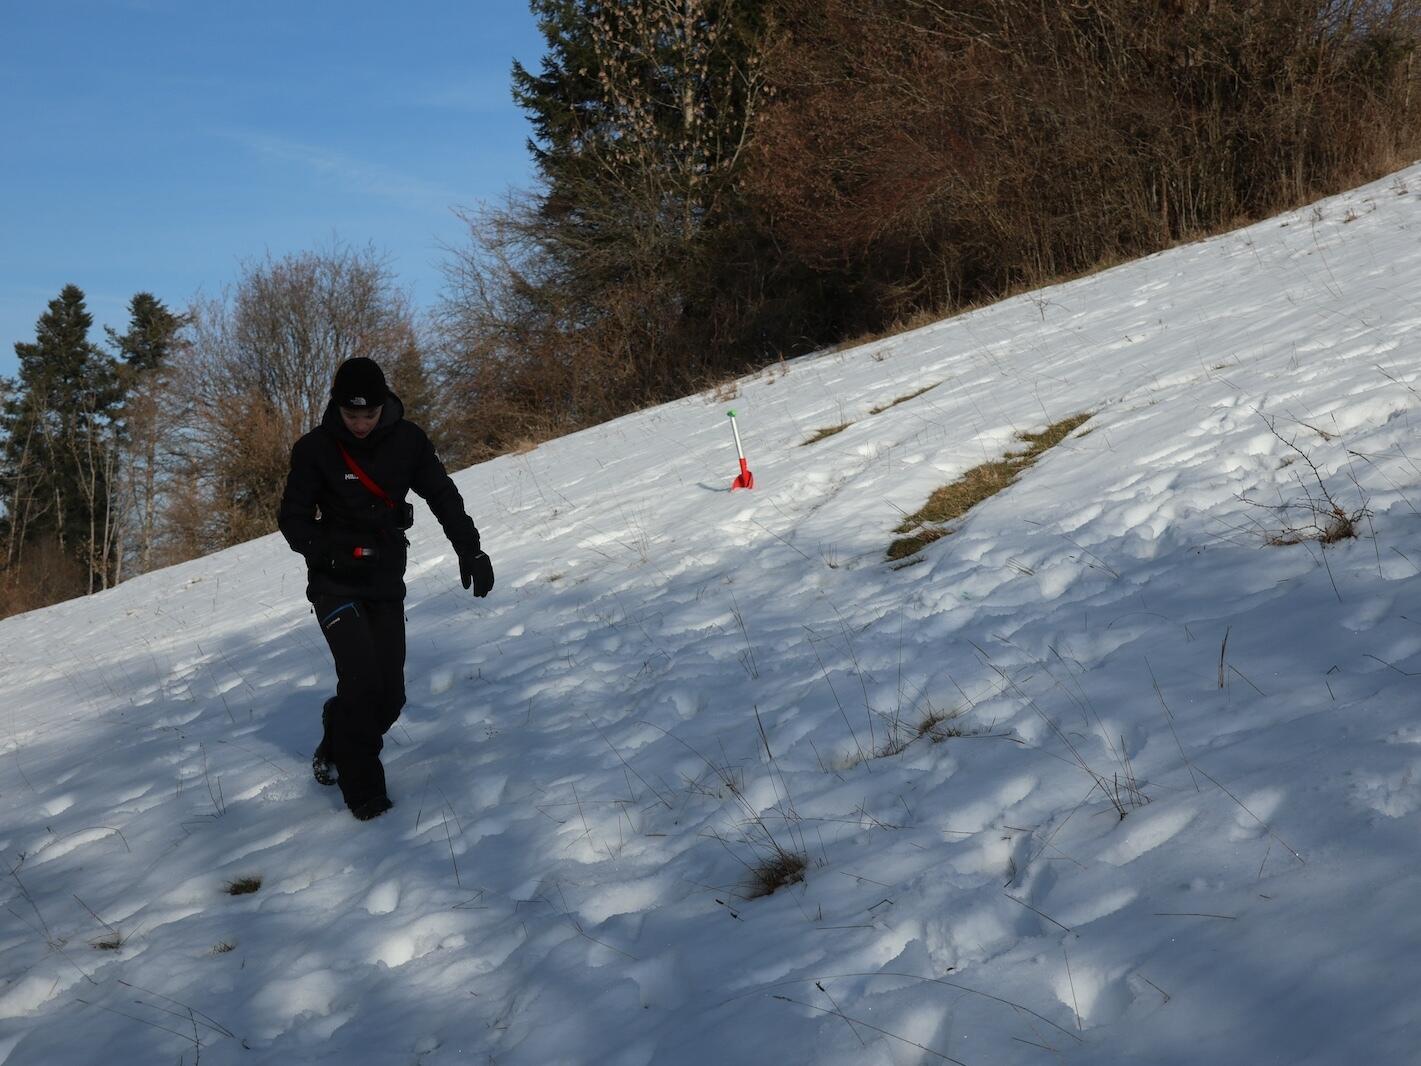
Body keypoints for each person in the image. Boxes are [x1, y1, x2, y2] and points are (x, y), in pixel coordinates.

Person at [278, 357, 493, 821]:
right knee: (361, 683)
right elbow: (292, 519)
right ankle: (365, 794)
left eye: (369, 415)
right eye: (351, 415)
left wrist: (470, 550)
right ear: (337, 407)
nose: (360, 424)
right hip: (334, 583)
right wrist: (330, 552)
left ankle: (338, 731)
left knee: (390, 696)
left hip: (384, 578)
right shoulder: (315, 449)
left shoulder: (408, 441)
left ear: (384, 406)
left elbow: (442, 495)